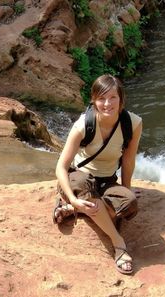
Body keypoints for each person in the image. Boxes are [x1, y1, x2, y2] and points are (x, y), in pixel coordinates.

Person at [53, 74, 142, 275]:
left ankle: (72, 209)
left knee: (129, 203)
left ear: (121, 99)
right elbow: (61, 166)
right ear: (94, 100)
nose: (107, 104)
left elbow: (128, 160)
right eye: (101, 98)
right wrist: (74, 198)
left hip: (107, 180)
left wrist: (126, 189)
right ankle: (118, 243)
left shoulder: (133, 123)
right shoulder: (83, 125)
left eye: (113, 98)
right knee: (85, 188)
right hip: (79, 178)